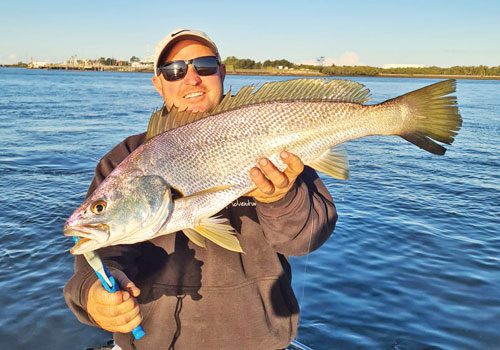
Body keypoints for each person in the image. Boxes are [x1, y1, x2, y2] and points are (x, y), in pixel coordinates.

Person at [64, 28, 337, 350]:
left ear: (222, 72)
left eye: (204, 66)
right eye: (173, 70)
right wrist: (94, 293)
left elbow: (305, 240)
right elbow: (104, 253)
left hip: (259, 339)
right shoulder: (126, 159)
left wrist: (281, 199)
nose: (191, 78)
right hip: (154, 342)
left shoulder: (273, 137)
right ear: (158, 83)